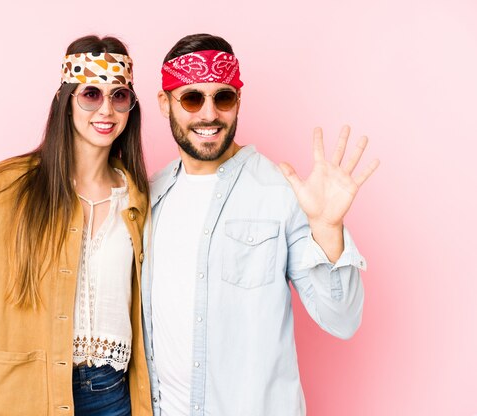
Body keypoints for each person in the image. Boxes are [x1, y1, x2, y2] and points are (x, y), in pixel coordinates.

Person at [0, 35, 153, 416]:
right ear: (65, 101)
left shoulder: (137, 197)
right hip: (25, 397)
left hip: (111, 395)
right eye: (90, 94)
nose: (106, 109)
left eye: (119, 96)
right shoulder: (10, 185)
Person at [141, 34, 380, 415]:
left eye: (223, 98)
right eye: (191, 98)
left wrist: (329, 230)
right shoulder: (149, 196)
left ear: (238, 101)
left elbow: (342, 320)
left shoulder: (281, 192)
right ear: (163, 102)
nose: (208, 114)